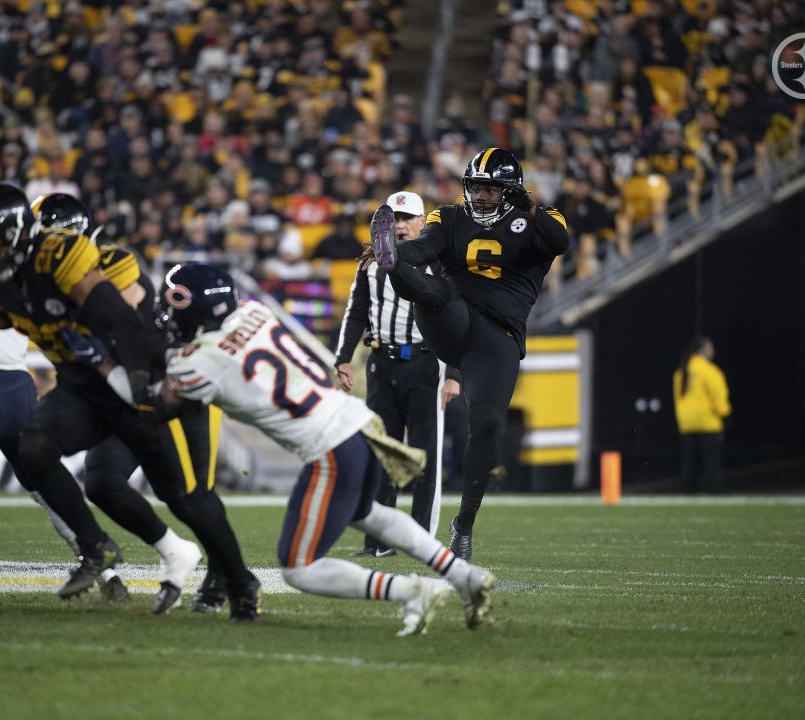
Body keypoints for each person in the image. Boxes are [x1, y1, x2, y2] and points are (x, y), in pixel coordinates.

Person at [0, 184, 261, 619]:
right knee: (42, 449)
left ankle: (235, 579)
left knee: (184, 496)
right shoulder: (7, 272)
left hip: (142, 382)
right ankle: (96, 547)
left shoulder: (68, 257)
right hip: (89, 387)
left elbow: (120, 318)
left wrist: (139, 380)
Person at [129, 263, 496, 636]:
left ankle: (410, 591)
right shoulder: (255, 312)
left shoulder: (201, 364)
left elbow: (160, 403)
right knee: (369, 514)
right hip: (358, 422)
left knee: (298, 567)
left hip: (330, 448)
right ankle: (464, 575)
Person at [33, 192, 259, 615]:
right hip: (119, 397)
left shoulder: (111, 264)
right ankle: (176, 551)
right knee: (101, 482)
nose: (46, 251)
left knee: (191, 496)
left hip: (167, 388)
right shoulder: (34, 282)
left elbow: (131, 324)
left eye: (53, 241)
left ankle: (231, 577)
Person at [363, 147, 571, 560]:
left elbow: (560, 241)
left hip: (499, 337)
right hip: (450, 319)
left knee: (488, 423)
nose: (478, 196)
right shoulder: (449, 217)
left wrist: (527, 204)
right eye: (474, 187)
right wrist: (398, 256)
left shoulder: (539, 218)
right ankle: (387, 258)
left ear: (510, 190)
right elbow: (423, 249)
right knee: (434, 287)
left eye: (489, 189)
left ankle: (464, 524)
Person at [334, 190, 461, 557]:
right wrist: (343, 356)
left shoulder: (438, 263)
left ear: (423, 222)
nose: (401, 226)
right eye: (395, 219)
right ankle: (378, 541)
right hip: (381, 363)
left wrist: (454, 373)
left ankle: (420, 541)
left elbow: (455, 322)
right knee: (381, 454)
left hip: (425, 362)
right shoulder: (369, 264)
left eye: (408, 219)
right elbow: (355, 312)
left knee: (423, 455)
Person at [673, 336, 731, 493]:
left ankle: (688, 491)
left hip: (687, 423)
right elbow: (719, 396)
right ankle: (712, 491)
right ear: (703, 350)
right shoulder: (710, 371)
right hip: (708, 422)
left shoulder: (681, 371)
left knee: (689, 463)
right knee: (710, 461)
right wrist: (724, 413)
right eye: (709, 348)